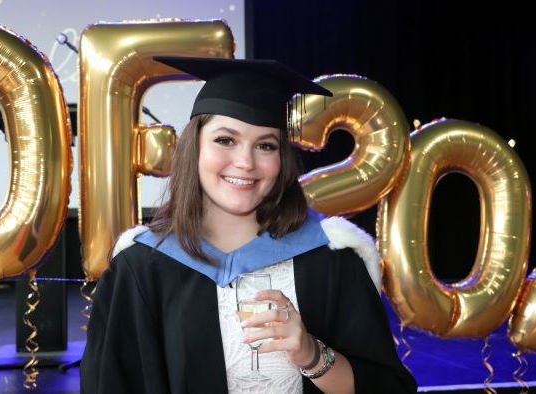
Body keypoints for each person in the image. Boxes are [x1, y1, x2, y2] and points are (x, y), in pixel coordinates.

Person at [80, 56, 417, 394]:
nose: (245, 163)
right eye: (225, 140)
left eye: (265, 145)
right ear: (193, 147)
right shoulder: (142, 268)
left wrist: (310, 354)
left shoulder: (332, 260)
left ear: (281, 159)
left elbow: (387, 387)